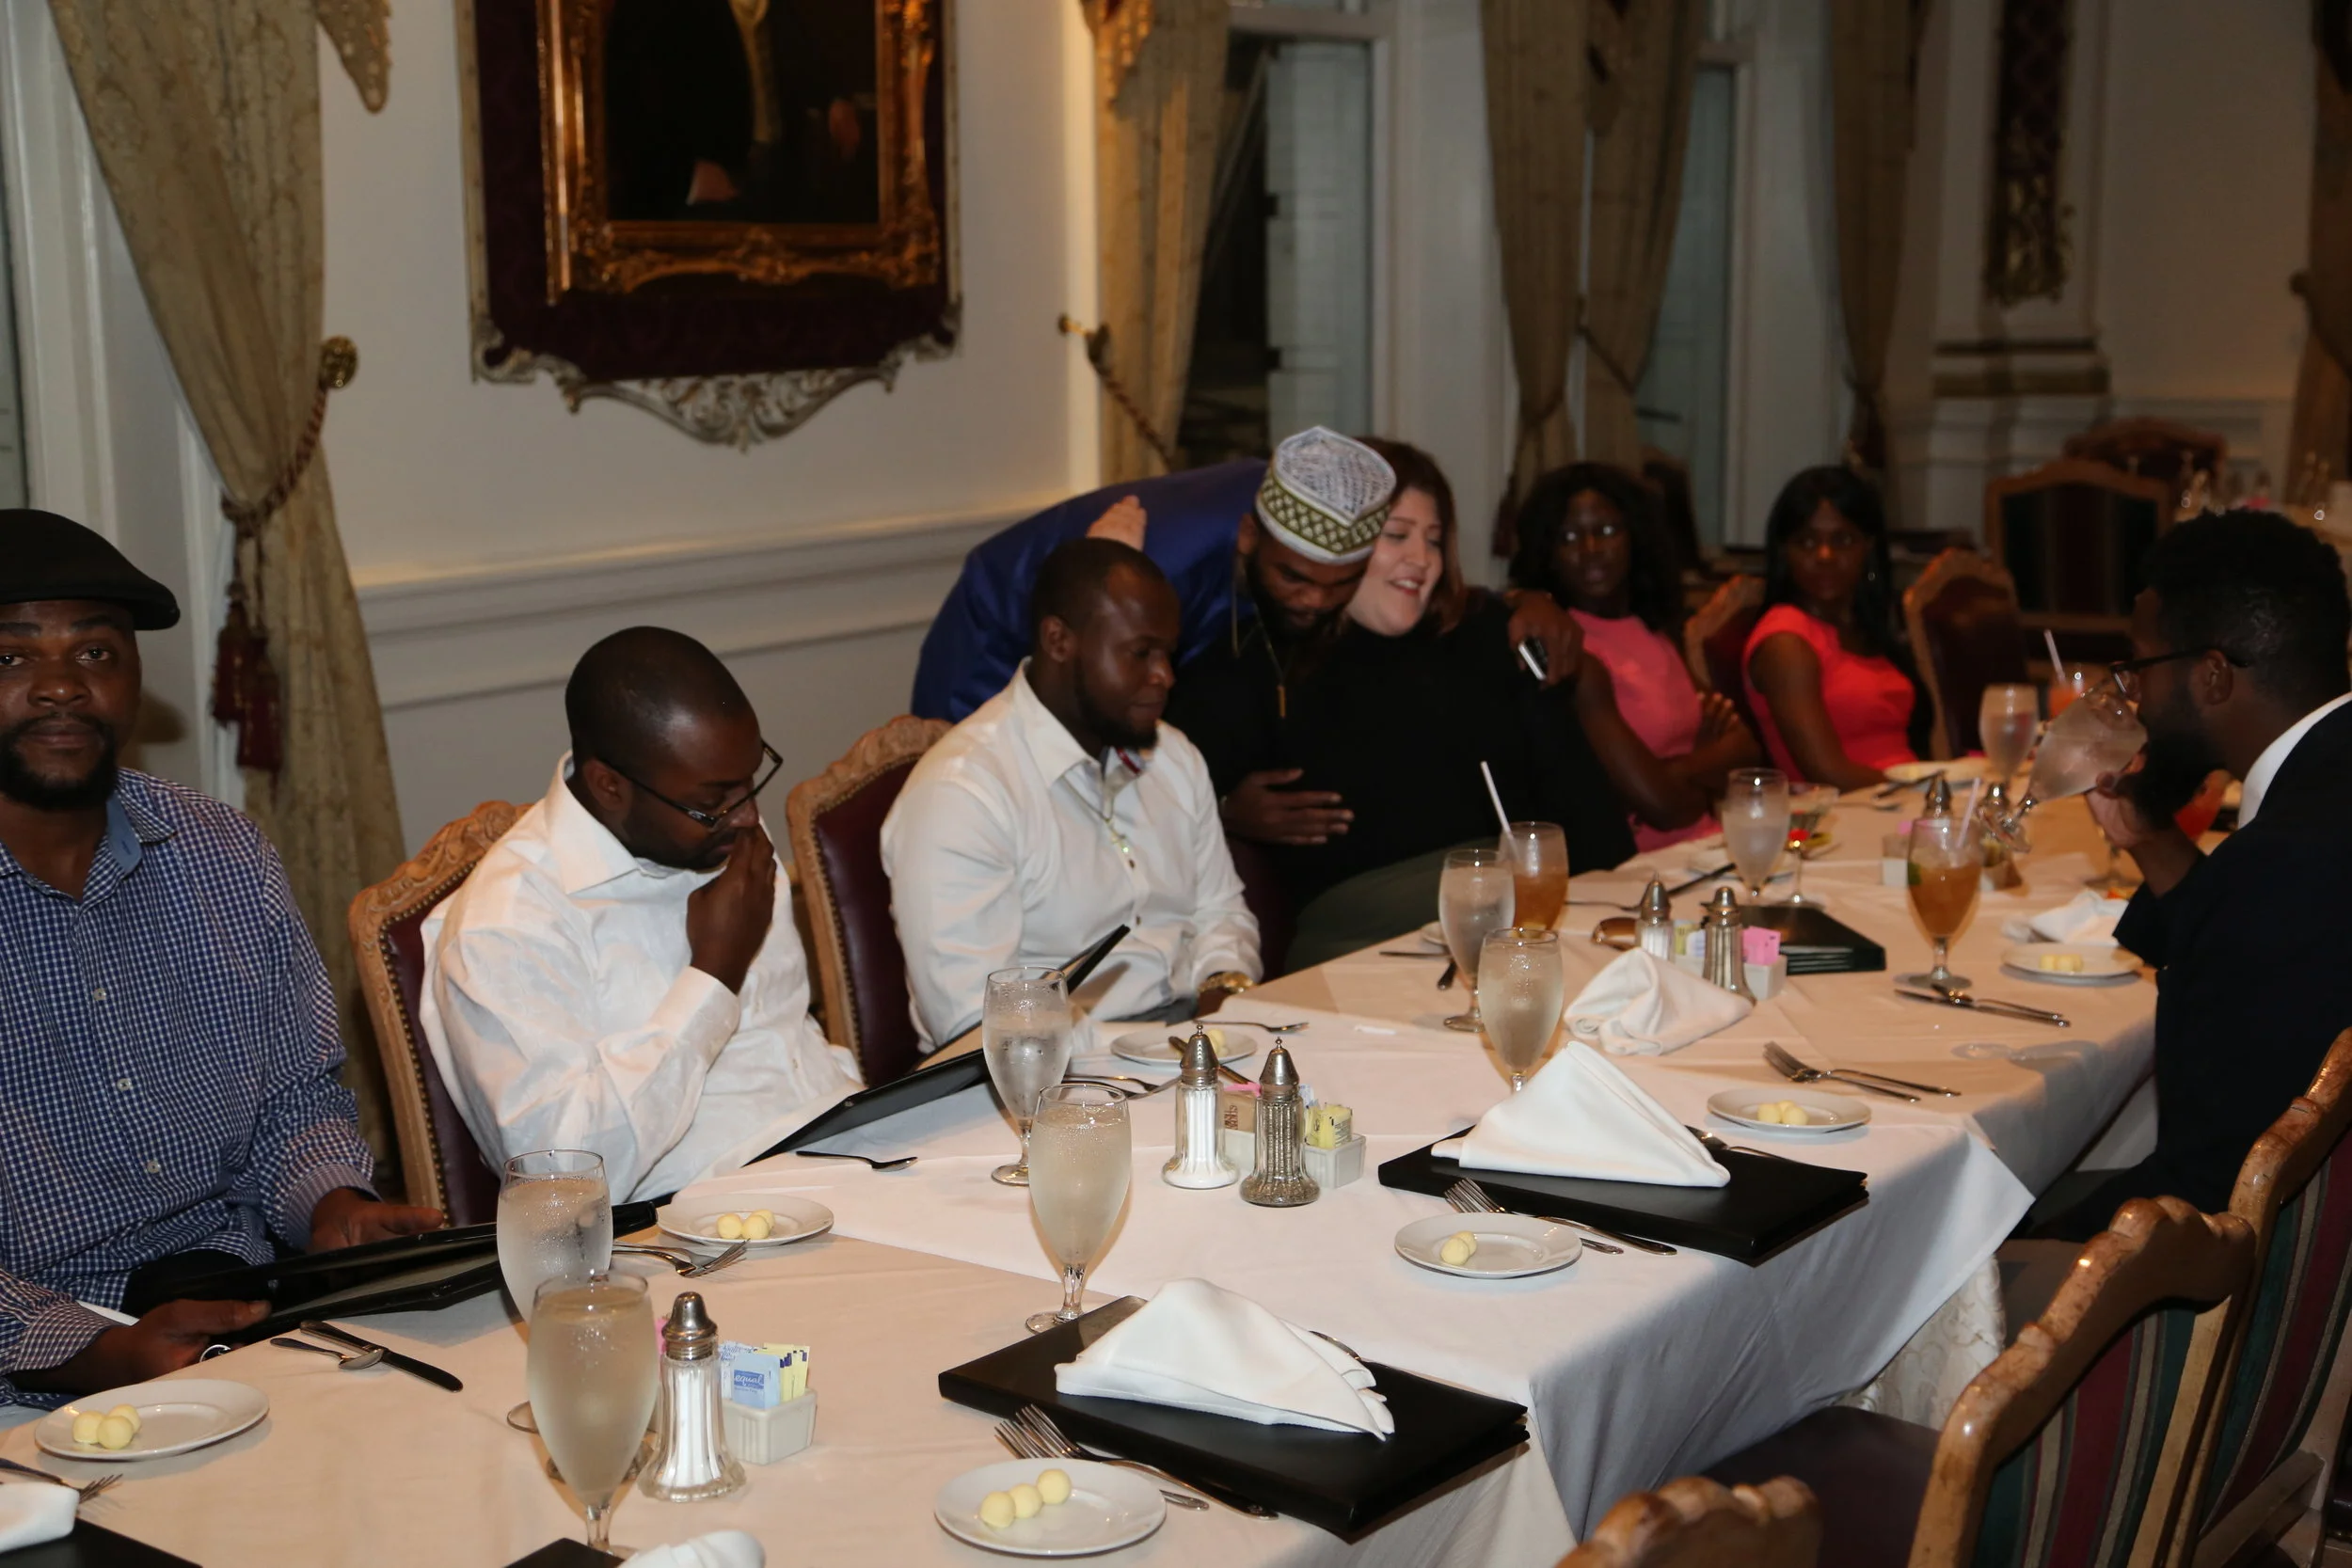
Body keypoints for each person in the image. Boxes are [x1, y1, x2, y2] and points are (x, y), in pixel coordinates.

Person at [0, 509, 441, 1405]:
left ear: (134, 676)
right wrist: (96, 1351)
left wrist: (331, 1206)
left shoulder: (221, 854)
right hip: (31, 1379)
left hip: (253, 1310)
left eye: (95, 651)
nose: (61, 686)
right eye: (10, 656)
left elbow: (295, 1097)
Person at [421, 628, 860, 1204]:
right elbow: (565, 1181)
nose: (749, 816)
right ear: (609, 786)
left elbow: (790, 1042)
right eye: (713, 801)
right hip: (690, 1224)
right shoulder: (508, 926)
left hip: (839, 1158)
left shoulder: (722, 836)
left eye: (751, 781)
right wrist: (714, 975)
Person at [1168, 436, 1637, 970]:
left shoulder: (1492, 634)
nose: (1422, 559)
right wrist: (1224, 812)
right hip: (1359, 948)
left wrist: (1623, 900)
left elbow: (1582, 800)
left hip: (1522, 922)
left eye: (1434, 540)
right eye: (1397, 535)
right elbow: (1165, 807)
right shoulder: (1262, 665)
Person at [2031, 510, 2352, 1240]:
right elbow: (2261, 956)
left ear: (2211, 675)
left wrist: (2010, 1252)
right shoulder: (2323, 793)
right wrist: (2152, 841)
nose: (2132, 696)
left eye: (2141, 667)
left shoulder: (2283, 863)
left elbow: (2206, 1184)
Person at [883, 538, 1260, 1049]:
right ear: (1059, 641)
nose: (1165, 677)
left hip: (1187, 1043)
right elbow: (975, 1022)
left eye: (1169, 653)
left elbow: (1222, 912)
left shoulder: (1172, 755)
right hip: (1044, 1076)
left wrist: (1223, 991)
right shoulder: (963, 793)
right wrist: (1156, 1046)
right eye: (1140, 653)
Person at [1509, 462, 1760, 849]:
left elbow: (1746, 751)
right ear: (1549, 552)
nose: (1591, 550)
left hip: (1709, 846)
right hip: (1639, 866)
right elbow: (1663, 806)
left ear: (1636, 538)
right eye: (1569, 537)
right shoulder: (1566, 648)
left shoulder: (1654, 631)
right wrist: (1707, 768)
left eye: (1607, 531)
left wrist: (1677, 772)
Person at [1741, 467, 1928, 788]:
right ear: (1785, 552)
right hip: (1842, 809)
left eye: (1842, 540)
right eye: (1807, 542)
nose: (1825, 556)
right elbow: (1827, 774)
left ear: (1868, 547)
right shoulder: (1785, 642)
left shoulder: (1864, 625)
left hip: (1901, 800)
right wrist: (1926, 791)